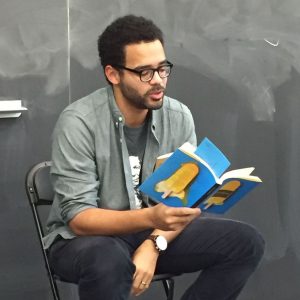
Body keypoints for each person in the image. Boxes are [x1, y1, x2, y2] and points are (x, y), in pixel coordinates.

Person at [44, 15, 265, 300]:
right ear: (113, 74)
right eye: (145, 72)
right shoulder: (79, 122)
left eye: (162, 68)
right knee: (107, 259)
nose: (158, 80)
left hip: (152, 232)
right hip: (85, 241)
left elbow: (182, 204)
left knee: (246, 242)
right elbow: (79, 219)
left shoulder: (178, 115)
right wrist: (151, 217)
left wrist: (154, 244)